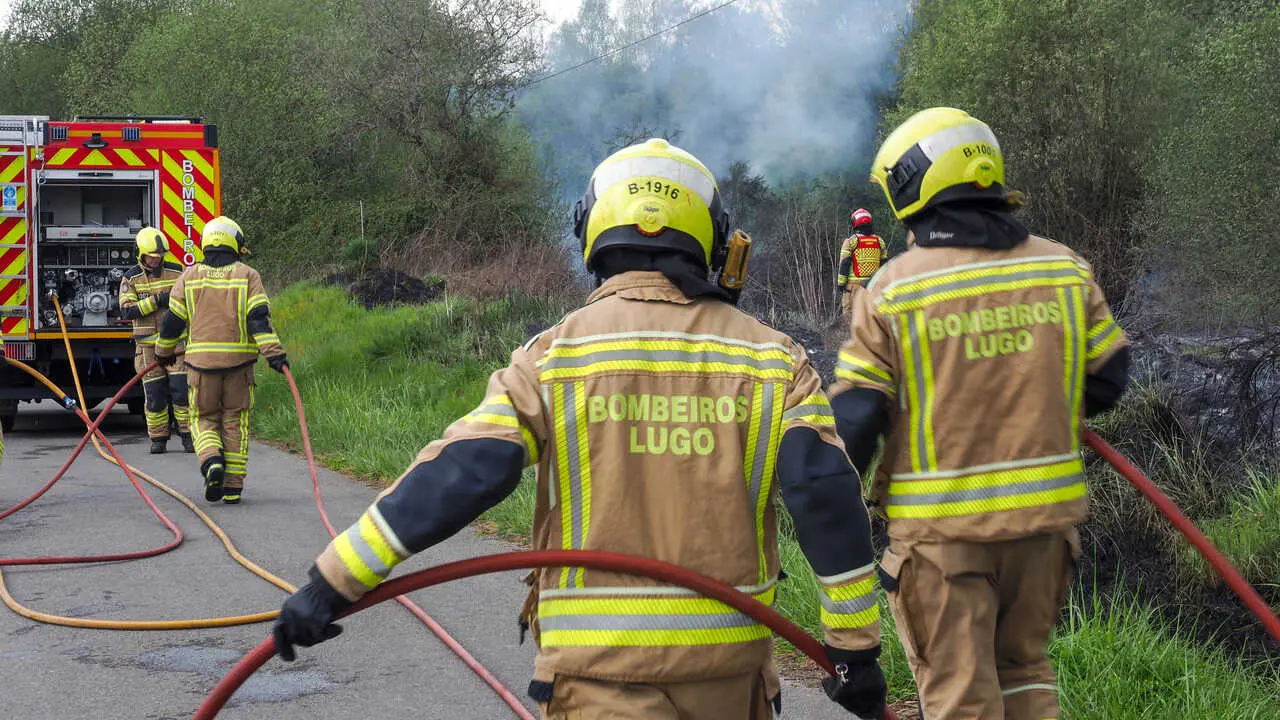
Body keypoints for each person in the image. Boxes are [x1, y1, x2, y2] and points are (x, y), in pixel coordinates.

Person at [271, 138, 888, 719]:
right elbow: (823, 493)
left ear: (592, 231)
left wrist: (334, 580)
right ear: (713, 240)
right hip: (728, 677)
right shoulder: (774, 359)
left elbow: (467, 471)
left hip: (598, 680)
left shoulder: (553, 356)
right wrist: (854, 648)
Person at [829, 107, 1130, 720]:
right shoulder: (1063, 268)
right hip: (1043, 535)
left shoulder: (896, 288)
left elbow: (856, 419)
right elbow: (1108, 381)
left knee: (962, 695)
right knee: (1022, 675)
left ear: (910, 187)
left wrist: (826, 494)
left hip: (945, 543)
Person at [154, 217, 287, 504]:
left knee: (202, 419)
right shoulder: (248, 275)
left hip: (201, 369)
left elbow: (172, 324)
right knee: (235, 421)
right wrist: (275, 355)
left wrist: (162, 353)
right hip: (239, 368)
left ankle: (211, 460)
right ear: (235, 244)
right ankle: (232, 487)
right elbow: (259, 321)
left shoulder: (188, 277)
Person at [119, 227, 193, 454]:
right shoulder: (131, 278)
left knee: (182, 393)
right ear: (141, 254)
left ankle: (188, 436)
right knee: (155, 396)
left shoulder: (177, 272)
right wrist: (157, 301)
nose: (156, 260)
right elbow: (127, 311)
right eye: (152, 256)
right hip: (148, 349)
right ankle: (159, 438)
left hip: (176, 347)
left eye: (159, 256)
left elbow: (190, 301)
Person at [837, 208, 887, 315]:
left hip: (853, 287)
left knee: (849, 316)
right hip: (873, 286)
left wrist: (841, 284)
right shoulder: (880, 241)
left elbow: (844, 263)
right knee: (872, 316)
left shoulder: (850, 242)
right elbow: (885, 265)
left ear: (855, 223)